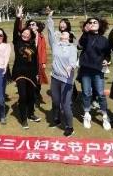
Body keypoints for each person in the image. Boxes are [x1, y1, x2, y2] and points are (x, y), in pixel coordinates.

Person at [46, 7, 77, 137]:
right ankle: (56, 119)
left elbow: (73, 60)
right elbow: (50, 32)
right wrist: (50, 18)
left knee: (65, 104)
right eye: (61, 34)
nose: (62, 35)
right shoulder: (55, 45)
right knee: (55, 101)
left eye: (65, 34)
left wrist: (70, 66)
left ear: (69, 37)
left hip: (67, 80)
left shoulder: (72, 47)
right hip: (55, 78)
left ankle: (70, 127)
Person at [78, 16, 112, 130]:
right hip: (85, 69)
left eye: (95, 22)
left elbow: (108, 54)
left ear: (99, 25)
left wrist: (106, 61)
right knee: (86, 93)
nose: (92, 23)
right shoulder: (85, 36)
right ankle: (87, 114)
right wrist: (85, 32)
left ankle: (105, 115)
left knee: (101, 94)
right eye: (90, 22)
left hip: (98, 70)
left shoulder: (104, 39)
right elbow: (81, 45)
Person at [12, 6, 40, 129]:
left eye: (27, 33)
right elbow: (15, 30)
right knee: (22, 96)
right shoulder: (17, 41)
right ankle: (23, 119)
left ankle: (31, 114)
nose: (25, 34)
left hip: (31, 74)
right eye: (23, 32)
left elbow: (35, 60)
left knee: (31, 96)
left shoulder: (33, 46)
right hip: (19, 73)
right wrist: (18, 17)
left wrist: (37, 73)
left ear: (30, 36)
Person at [26, 19, 48, 104]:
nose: (31, 26)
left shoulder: (41, 37)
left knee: (39, 79)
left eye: (33, 24)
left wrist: (43, 62)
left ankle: (37, 93)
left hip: (38, 61)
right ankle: (32, 97)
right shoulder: (27, 36)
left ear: (37, 26)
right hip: (29, 61)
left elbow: (43, 50)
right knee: (31, 78)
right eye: (30, 25)